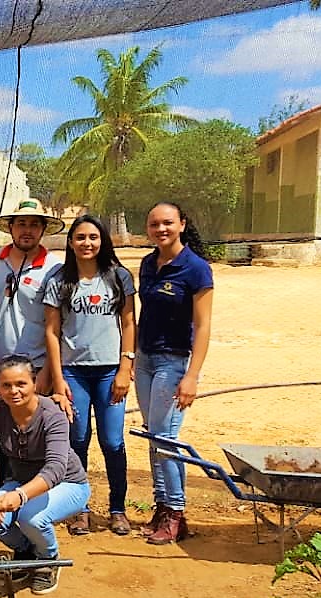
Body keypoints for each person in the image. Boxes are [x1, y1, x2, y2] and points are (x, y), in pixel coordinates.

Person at [43, 215, 137, 536]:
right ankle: (78, 508)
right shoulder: (58, 280)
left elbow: (128, 324)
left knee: (112, 441)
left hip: (110, 371)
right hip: (74, 374)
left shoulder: (118, 277)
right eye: (80, 237)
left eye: (93, 237)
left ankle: (118, 508)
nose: (87, 243)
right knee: (77, 440)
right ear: (70, 242)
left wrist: (126, 367)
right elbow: (52, 332)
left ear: (103, 240)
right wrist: (58, 380)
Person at [0, 355, 91, 595]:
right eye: (6, 385)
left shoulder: (53, 413)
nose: (13, 391)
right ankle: (28, 551)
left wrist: (19, 495)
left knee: (31, 518)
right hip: (22, 482)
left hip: (69, 483)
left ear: (34, 384)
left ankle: (48, 559)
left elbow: (56, 468)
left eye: (21, 384)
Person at [134, 202, 214, 545]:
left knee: (166, 439)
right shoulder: (149, 264)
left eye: (167, 223)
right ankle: (162, 507)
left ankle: (176, 513)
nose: (161, 229)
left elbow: (204, 324)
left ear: (182, 224)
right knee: (155, 436)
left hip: (173, 361)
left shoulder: (196, 269)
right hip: (145, 359)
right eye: (154, 224)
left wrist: (192, 375)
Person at [0, 199, 65, 391]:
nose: (27, 230)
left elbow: (58, 327)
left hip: (37, 366)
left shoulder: (55, 268)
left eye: (34, 224)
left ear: (43, 229)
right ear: (11, 227)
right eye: (21, 224)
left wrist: (48, 372)